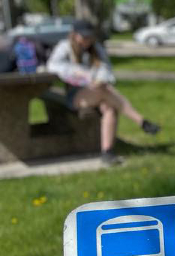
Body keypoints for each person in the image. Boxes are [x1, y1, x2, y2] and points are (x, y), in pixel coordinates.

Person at [46, 19, 160, 165]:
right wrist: (79, 72)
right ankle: (141, 121)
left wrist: (99, 78)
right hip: (75, 96)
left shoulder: (96, 48)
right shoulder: (64, 47)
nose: (87, 40)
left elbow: (106, 70)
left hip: (96, 92)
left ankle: (107, 152)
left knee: (109, 108)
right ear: (74, 35)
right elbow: (53, 65)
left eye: (89, 36)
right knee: (104, 91)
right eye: (84, 36)